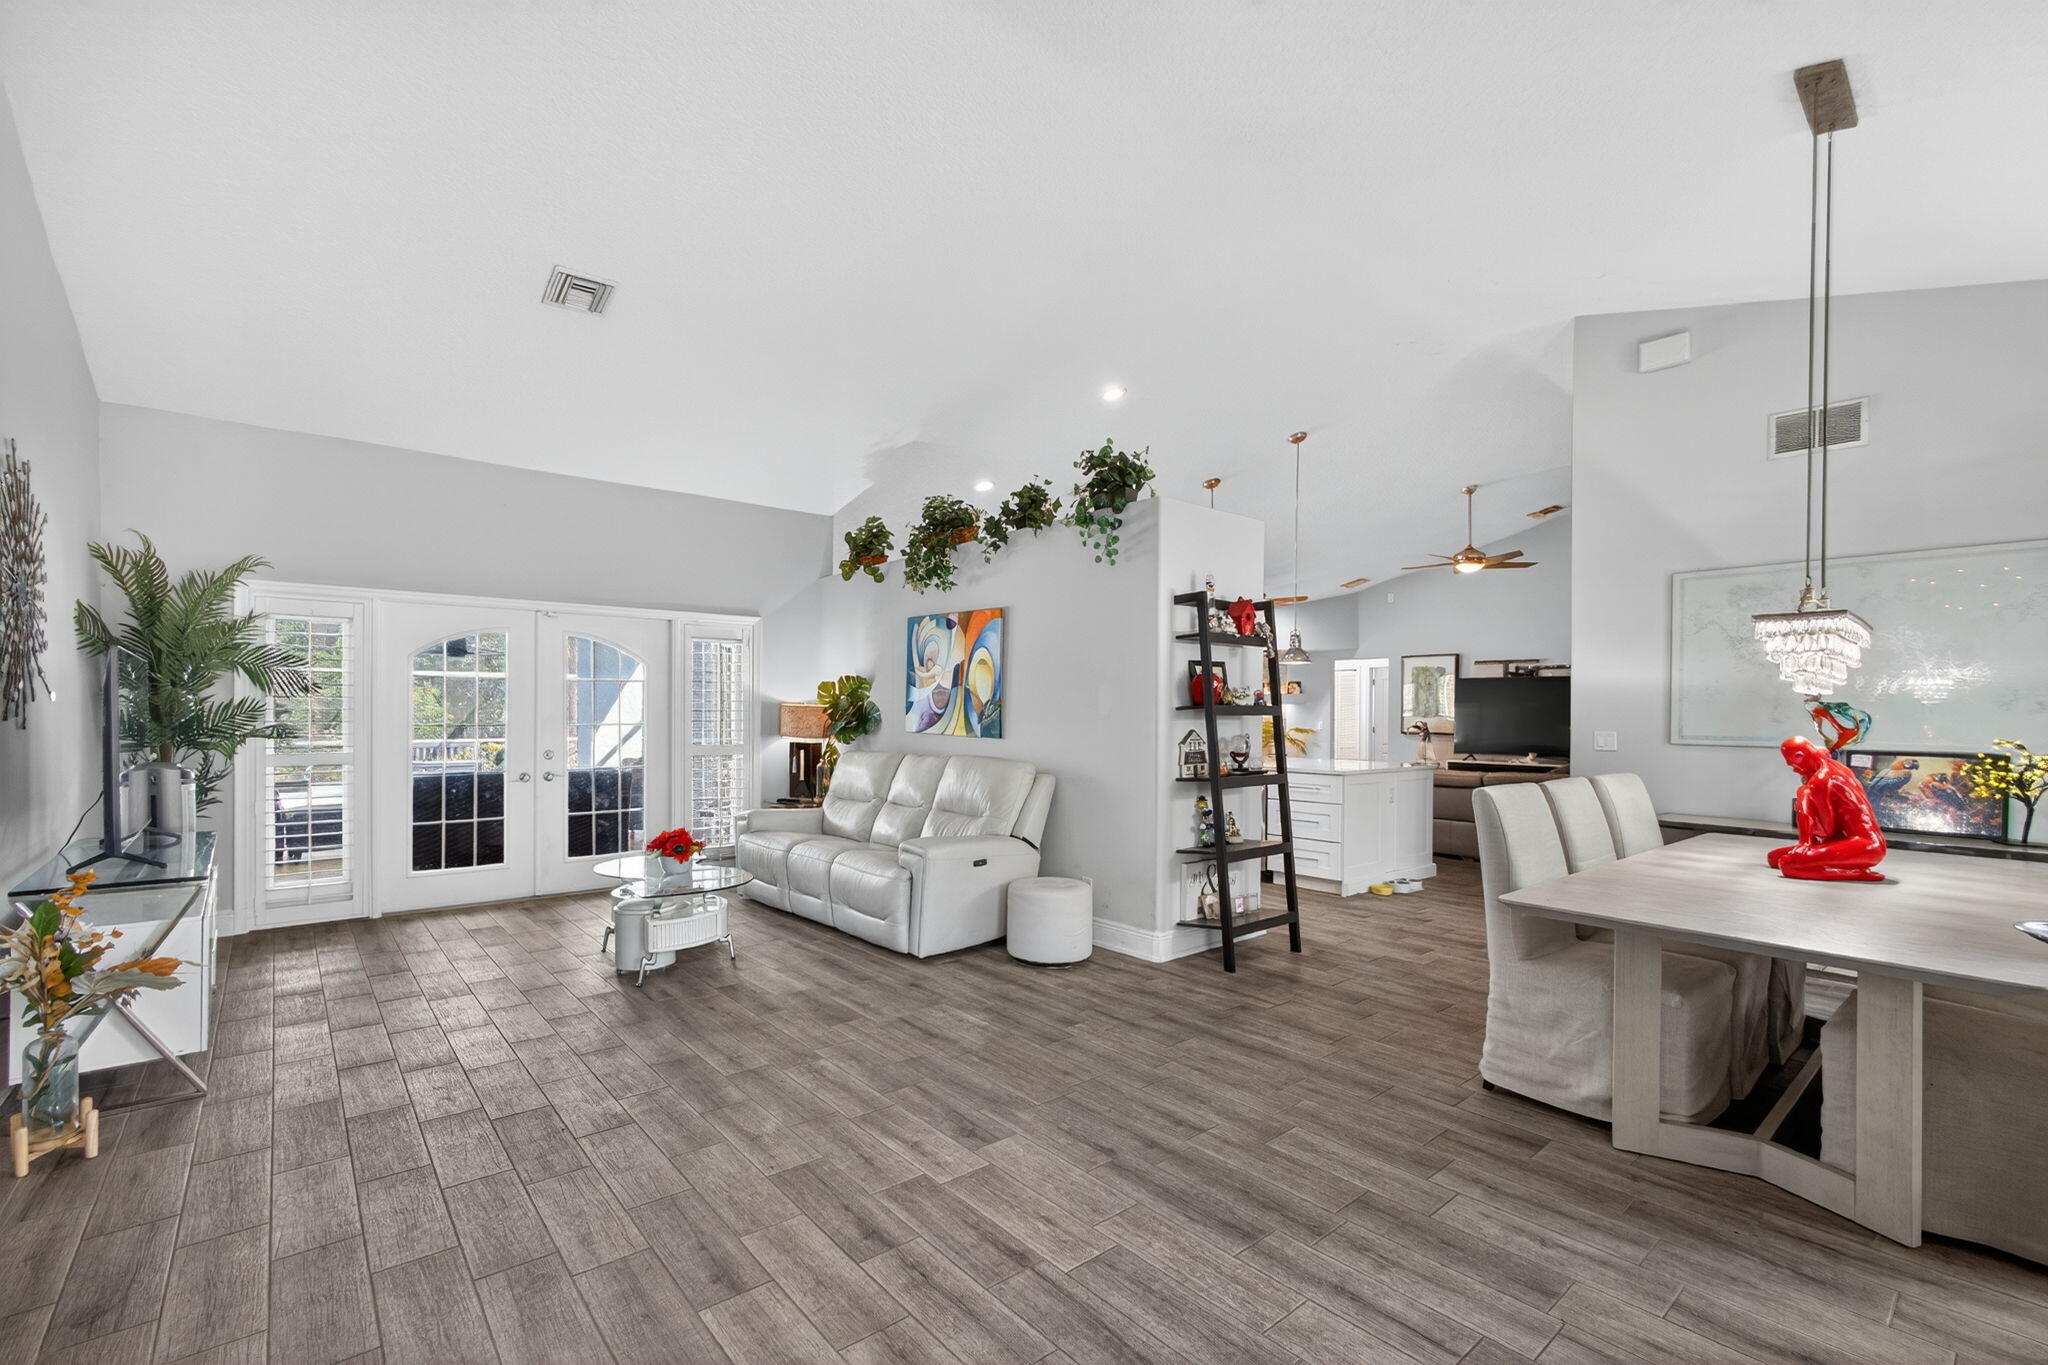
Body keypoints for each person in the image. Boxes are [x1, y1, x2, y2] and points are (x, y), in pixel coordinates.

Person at [1767, 735, 1887, 881]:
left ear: (1800, 756)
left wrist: (1803, 802)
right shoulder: (1831, 763)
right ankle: (1840, 866)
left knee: (1787, 864)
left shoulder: (1820, 780)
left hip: (1865, 846)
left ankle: (1856, 873)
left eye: (1793, 765)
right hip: (1856, 841)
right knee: (1773, 858)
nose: (1795, 771)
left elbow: (1825, 831)